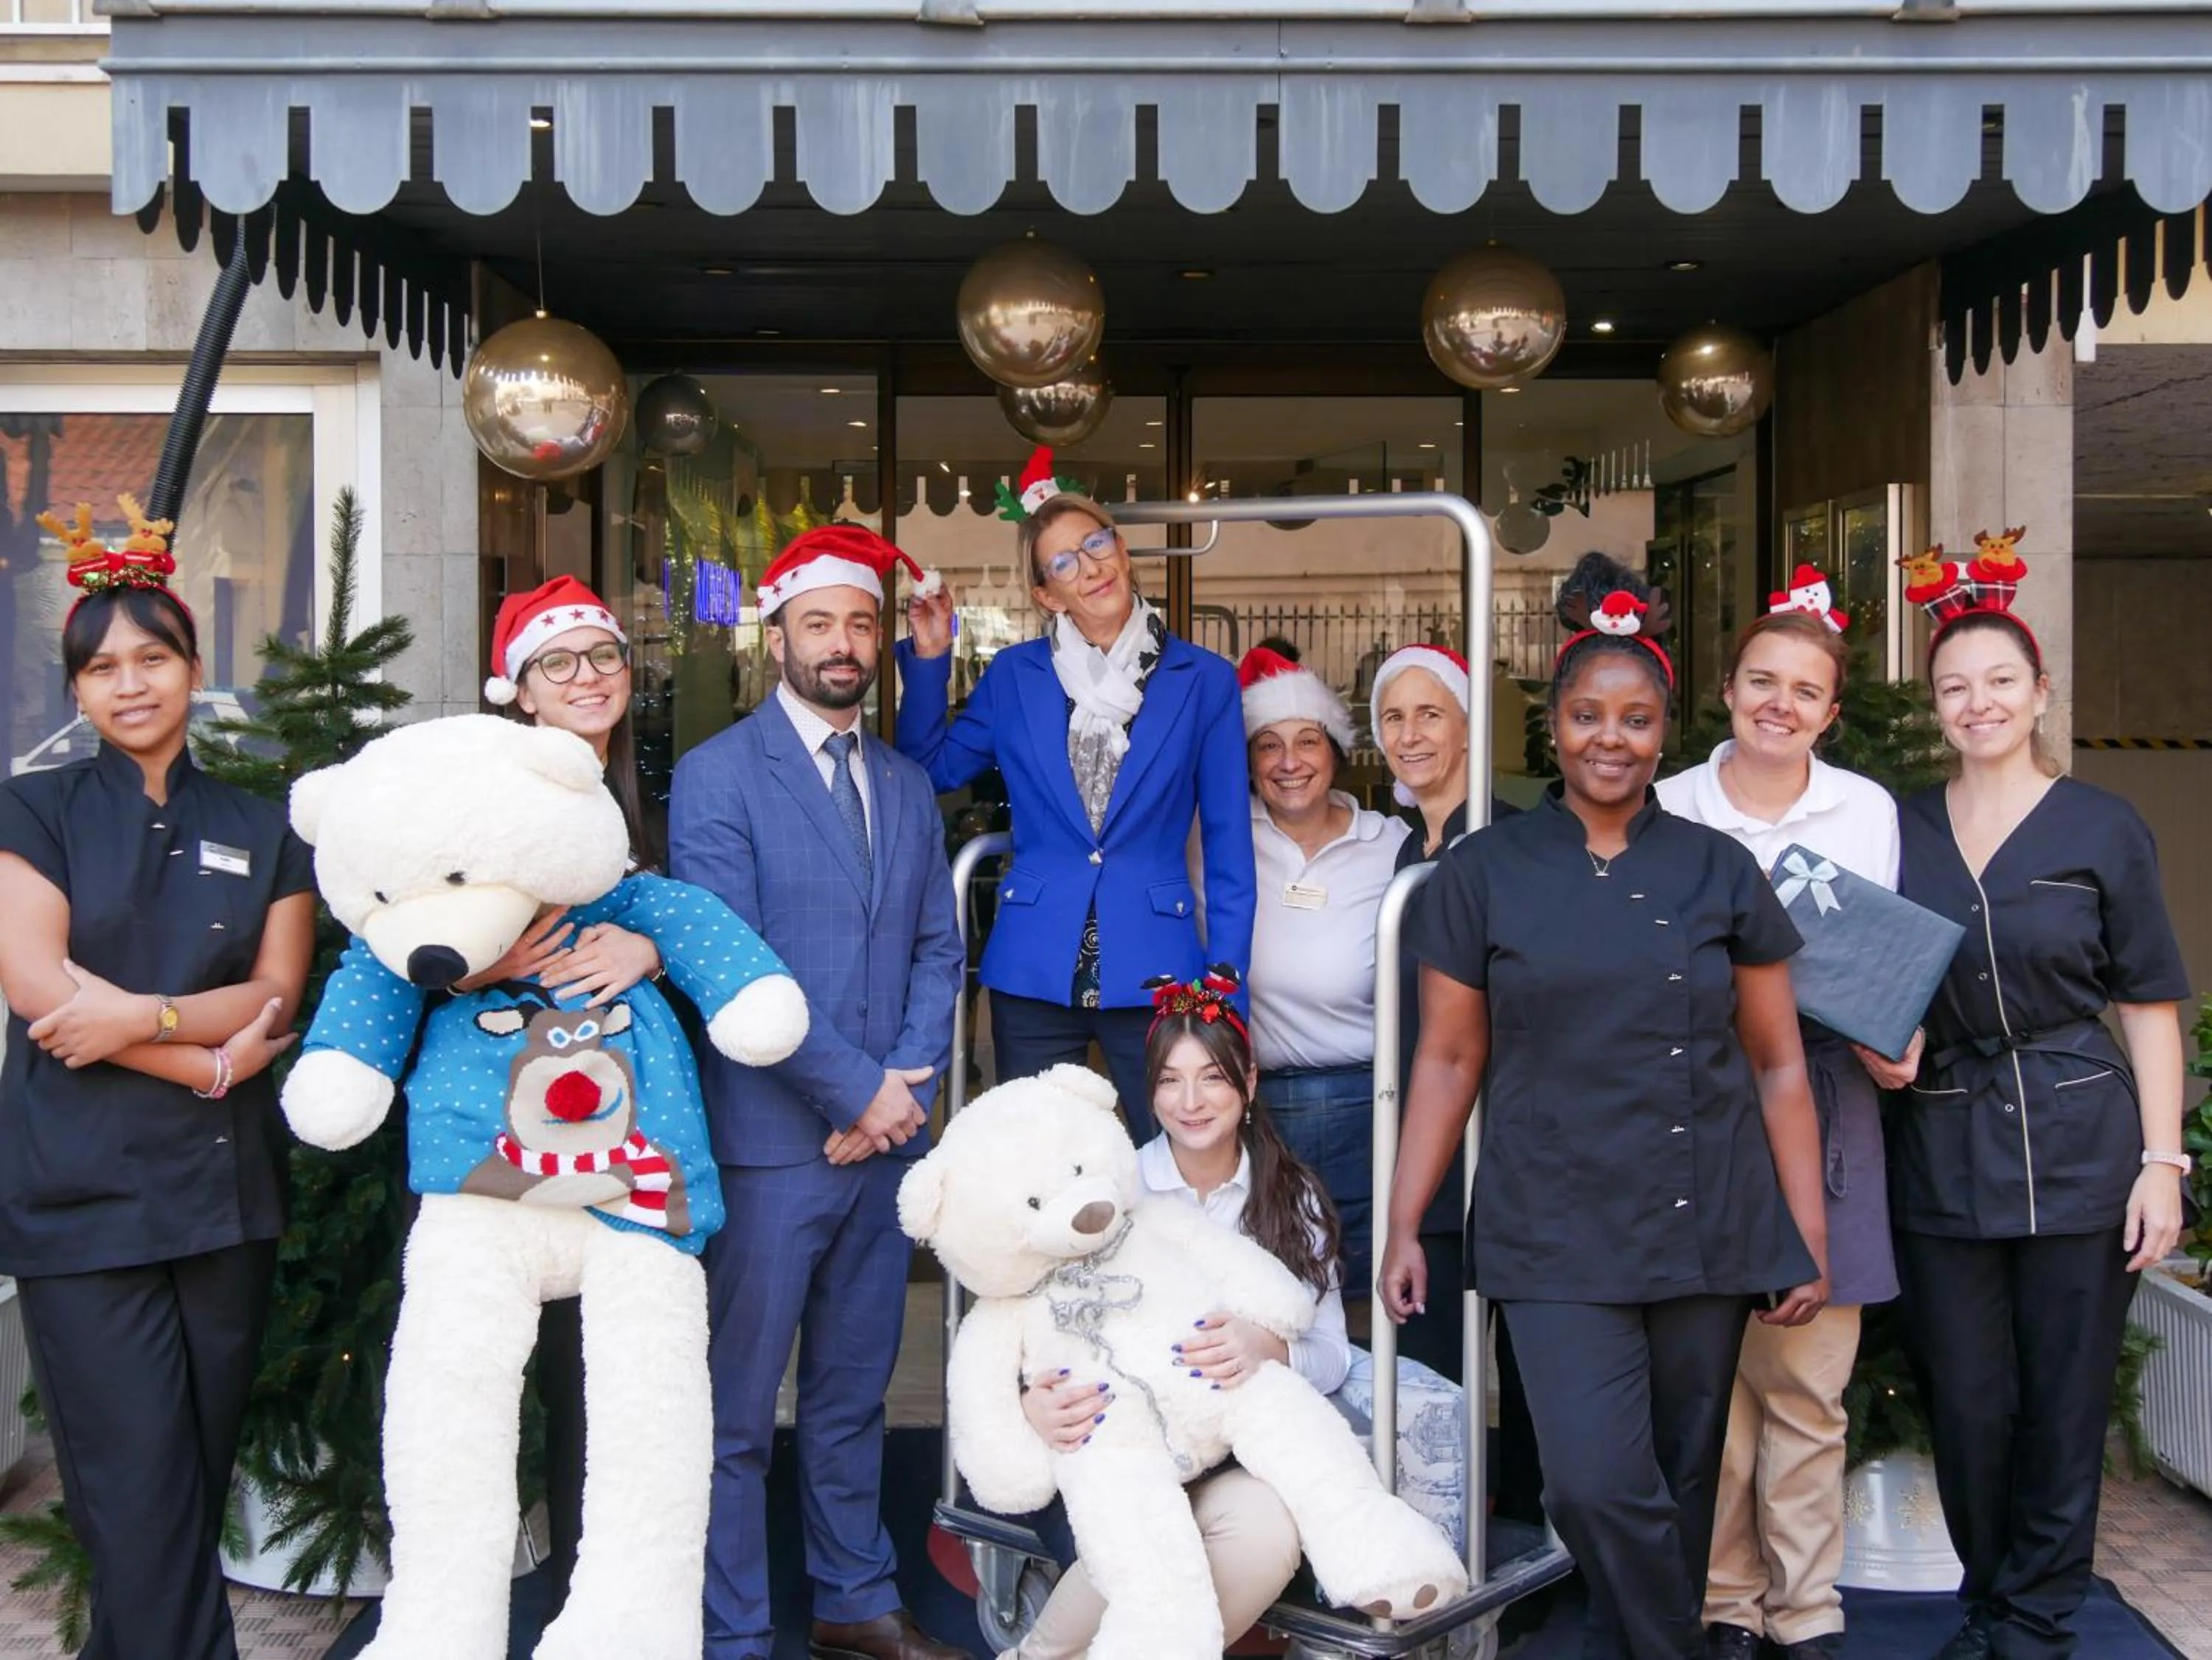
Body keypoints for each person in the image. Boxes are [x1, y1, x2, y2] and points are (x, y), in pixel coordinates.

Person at [1381, 551, 1832, 1660]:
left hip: (1706, 1218)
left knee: (1682, 1477)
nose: (1610, 738)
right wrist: (1404, 1217)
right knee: (1588, 1481)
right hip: (1550, 1221)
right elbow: (1446, 1060)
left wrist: (1804, 1232)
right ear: (1555, 726)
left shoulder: (1721, 868)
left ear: (1664, 731)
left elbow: (1779, 1064)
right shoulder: (1484, 871)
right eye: (1588, 715)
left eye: (1635, 719)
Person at [0, 506, 313, 1660]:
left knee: (183, 1471)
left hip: (220, 1198)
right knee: (131, 1482)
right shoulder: (31, 811)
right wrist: (207, 1058)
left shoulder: (260, 823)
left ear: (190, 667)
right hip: (83, 1201)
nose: (129, 685)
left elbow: (276, 993)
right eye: (101, 668)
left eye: (152, 659)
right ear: (77, 689)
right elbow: (43, 993)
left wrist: (148, 1018)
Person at [671, 524, 968, 1660]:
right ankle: (735, 1628)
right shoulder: (716, 776)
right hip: (771, 1144)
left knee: (854, 1396)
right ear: (776, 636)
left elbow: (941, 949)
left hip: (879, 1145)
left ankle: (854, 1602)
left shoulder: (901, 780)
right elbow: (728, 959)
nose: (842, 645)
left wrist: (898, 1090)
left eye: (860, 624)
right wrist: (854, 1095)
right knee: (738, 1413)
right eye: (819, 623)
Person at [1884, 557, 2188, 1660]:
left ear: (2041, 691)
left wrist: (2165, 1163)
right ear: (1936, 706)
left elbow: (2151, 1002)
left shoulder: (2102, 828)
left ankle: (2035, 1622)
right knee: (1965, 1402)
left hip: (2080, 1134)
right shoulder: (1900, 827)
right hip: (1941, 1138)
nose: (1981, 703)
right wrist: (1885, 1046)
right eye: (1957, 686)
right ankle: (1988, 1598)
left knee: (2063, 1403)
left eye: (2001, 681)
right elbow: (1867, 972)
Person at [1654, 589, 1902, 1660]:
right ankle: (1725, 1605)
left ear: (1830, 712)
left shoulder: (1865, 811)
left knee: (1808, 1387)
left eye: (1805, 691)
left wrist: (1899, 1026)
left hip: (1828, 1104)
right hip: (1691, 1114)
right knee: (1712, 1390)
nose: (1779, 705)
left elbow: (1868, 969)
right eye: (1762, 681)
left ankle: (1809, 1613)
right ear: (1727, 690)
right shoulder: (1668, 805)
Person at [899, 447, 1256, 1140]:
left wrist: (1227, 994)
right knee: (1038, 1165)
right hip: (1033, 963)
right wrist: (931, 657)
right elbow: (925, 768)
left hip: (1160, 968)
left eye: (1096, 544)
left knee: (1173, 1158)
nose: (1090, 567)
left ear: (1121, 549)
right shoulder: (1014, 676)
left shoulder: (1204, 679)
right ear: (1044, 593)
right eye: (1065, 561)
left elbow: (1229, 850)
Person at [1005, 966, 1344, 1660]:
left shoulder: (1292, 1196)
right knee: (1148, 1537)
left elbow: (1335, 1355)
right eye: (1169, 1080)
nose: (1190, 1101)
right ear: (1148, 1089)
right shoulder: (1107, 1193)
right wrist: (1027, 1405)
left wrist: (1268, 1348)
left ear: (1248, 1084)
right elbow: (1023, 1335)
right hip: (1112, 1455)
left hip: (1233, 1454)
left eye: (1212, 1078)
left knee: (1269, 1532)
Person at [473, 575, 671, 1616]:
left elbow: (678, 924)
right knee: (534, 1368)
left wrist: (651, 945)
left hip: (630, 1127)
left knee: (615, 1380)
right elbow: (416, 929)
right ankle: (547, 1604)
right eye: (561, 662)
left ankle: (612, 1605)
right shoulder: (492, 792)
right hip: (512, 1119)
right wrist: (487, 960)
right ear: (521, 690)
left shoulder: (637, 793)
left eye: (603, 657)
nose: (588, 677)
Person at [1238, 645, 1409, 1304]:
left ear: (1335, 750)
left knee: (1374, 1297)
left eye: (1307, 741)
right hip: (1258, 1112)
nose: (1289, 763)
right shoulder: (1215, 840)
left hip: (1370, 1104)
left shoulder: (1389, 843)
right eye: (1268, 746)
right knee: (1274, 1301)